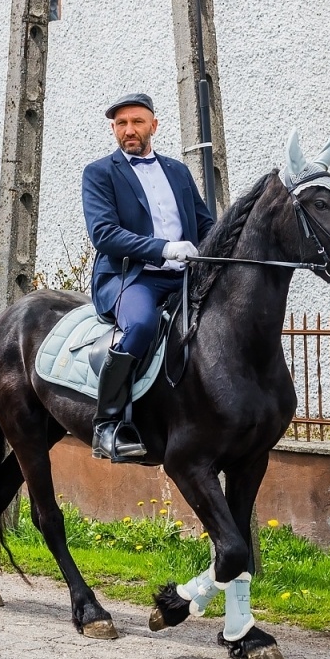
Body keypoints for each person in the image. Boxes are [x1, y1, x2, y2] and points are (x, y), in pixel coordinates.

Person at [81, 93, 215, 462]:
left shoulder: (177, 171)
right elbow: (104, 234)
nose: (129, 130)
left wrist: (225, 248)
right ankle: (107, 425)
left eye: (137, 122)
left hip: (183, 277)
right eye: (121, 124)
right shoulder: (100, 173)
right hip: (129, 278)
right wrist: (163, 248)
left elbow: (204, 224)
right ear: (114, 130)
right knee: (140, 325)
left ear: (153, 125)